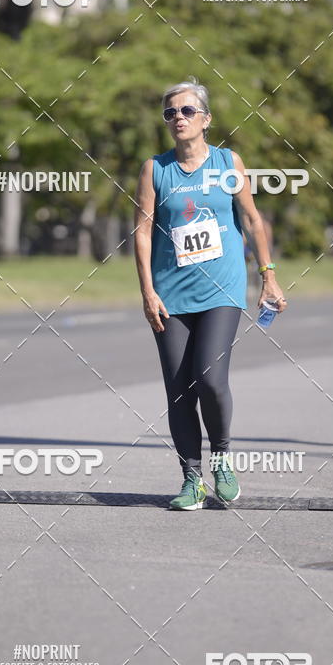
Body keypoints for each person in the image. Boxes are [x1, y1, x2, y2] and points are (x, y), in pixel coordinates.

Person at [134, 78, 286, 509]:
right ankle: (191, 479)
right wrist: (147, 290)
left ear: (206, 119)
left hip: (223, 289)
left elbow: (253, 221)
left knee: (210, 378)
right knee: (179, 389)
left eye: (186, 111)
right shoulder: (155, 169)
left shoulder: (227, 162)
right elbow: (142, 232)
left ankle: (221, 459)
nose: (177, 119)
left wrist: (268, 276)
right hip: (170, 294)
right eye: (170, 113)